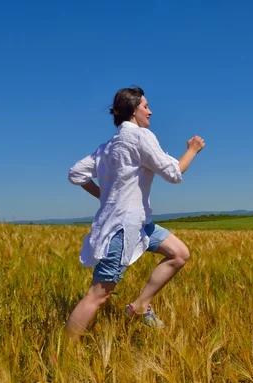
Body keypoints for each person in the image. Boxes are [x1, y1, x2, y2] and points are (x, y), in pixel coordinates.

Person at [65, 86, 205, 335]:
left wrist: (104, 197)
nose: (150, 112)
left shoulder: (108, 146)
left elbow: (76, 173)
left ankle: (140, 305)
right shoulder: (140, 137)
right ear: (133, 111)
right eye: (145, 106)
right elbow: (173, 173)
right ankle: (60, 355)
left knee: (179, 254)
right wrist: (192, 149)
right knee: (98, 295)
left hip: (139, 223)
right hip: (122, 227)